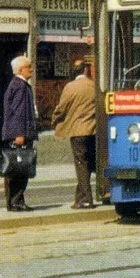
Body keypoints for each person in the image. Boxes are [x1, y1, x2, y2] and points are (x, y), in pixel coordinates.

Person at [51, 60, 96, 209]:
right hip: (93, 130)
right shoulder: (94, 86)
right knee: (87, 165)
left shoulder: (70, 87)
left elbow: (61, 108)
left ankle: (86, 199)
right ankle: (80, 198)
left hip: (78, 132)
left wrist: (54, 119)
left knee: (81, 164)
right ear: (85, 71)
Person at [0, 56, 37, 211]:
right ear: (21, 70)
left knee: (16, 169)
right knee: (20, 169)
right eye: (29, 67)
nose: (32, 69)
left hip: (17, 132)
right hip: (20, 134)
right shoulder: (20, 86)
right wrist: (20, 134)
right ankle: (16, 201)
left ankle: (14, 202)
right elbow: (18, 112)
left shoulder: (17, 85)